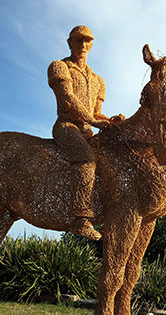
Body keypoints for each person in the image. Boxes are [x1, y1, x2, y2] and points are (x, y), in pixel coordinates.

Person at [47, 26, 121, 241]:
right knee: (86, 161)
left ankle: (108, 215)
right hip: (67, 126)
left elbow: (97, 112)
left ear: (92, 45)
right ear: (69, 43)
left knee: (111, 162)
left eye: (86, 41)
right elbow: (68, 99)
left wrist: (111, 121)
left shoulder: (98, 81)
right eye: (77, 40)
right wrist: (92, 121)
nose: (82, 44)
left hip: (88, 130)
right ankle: (81, 219)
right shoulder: (59, 67)